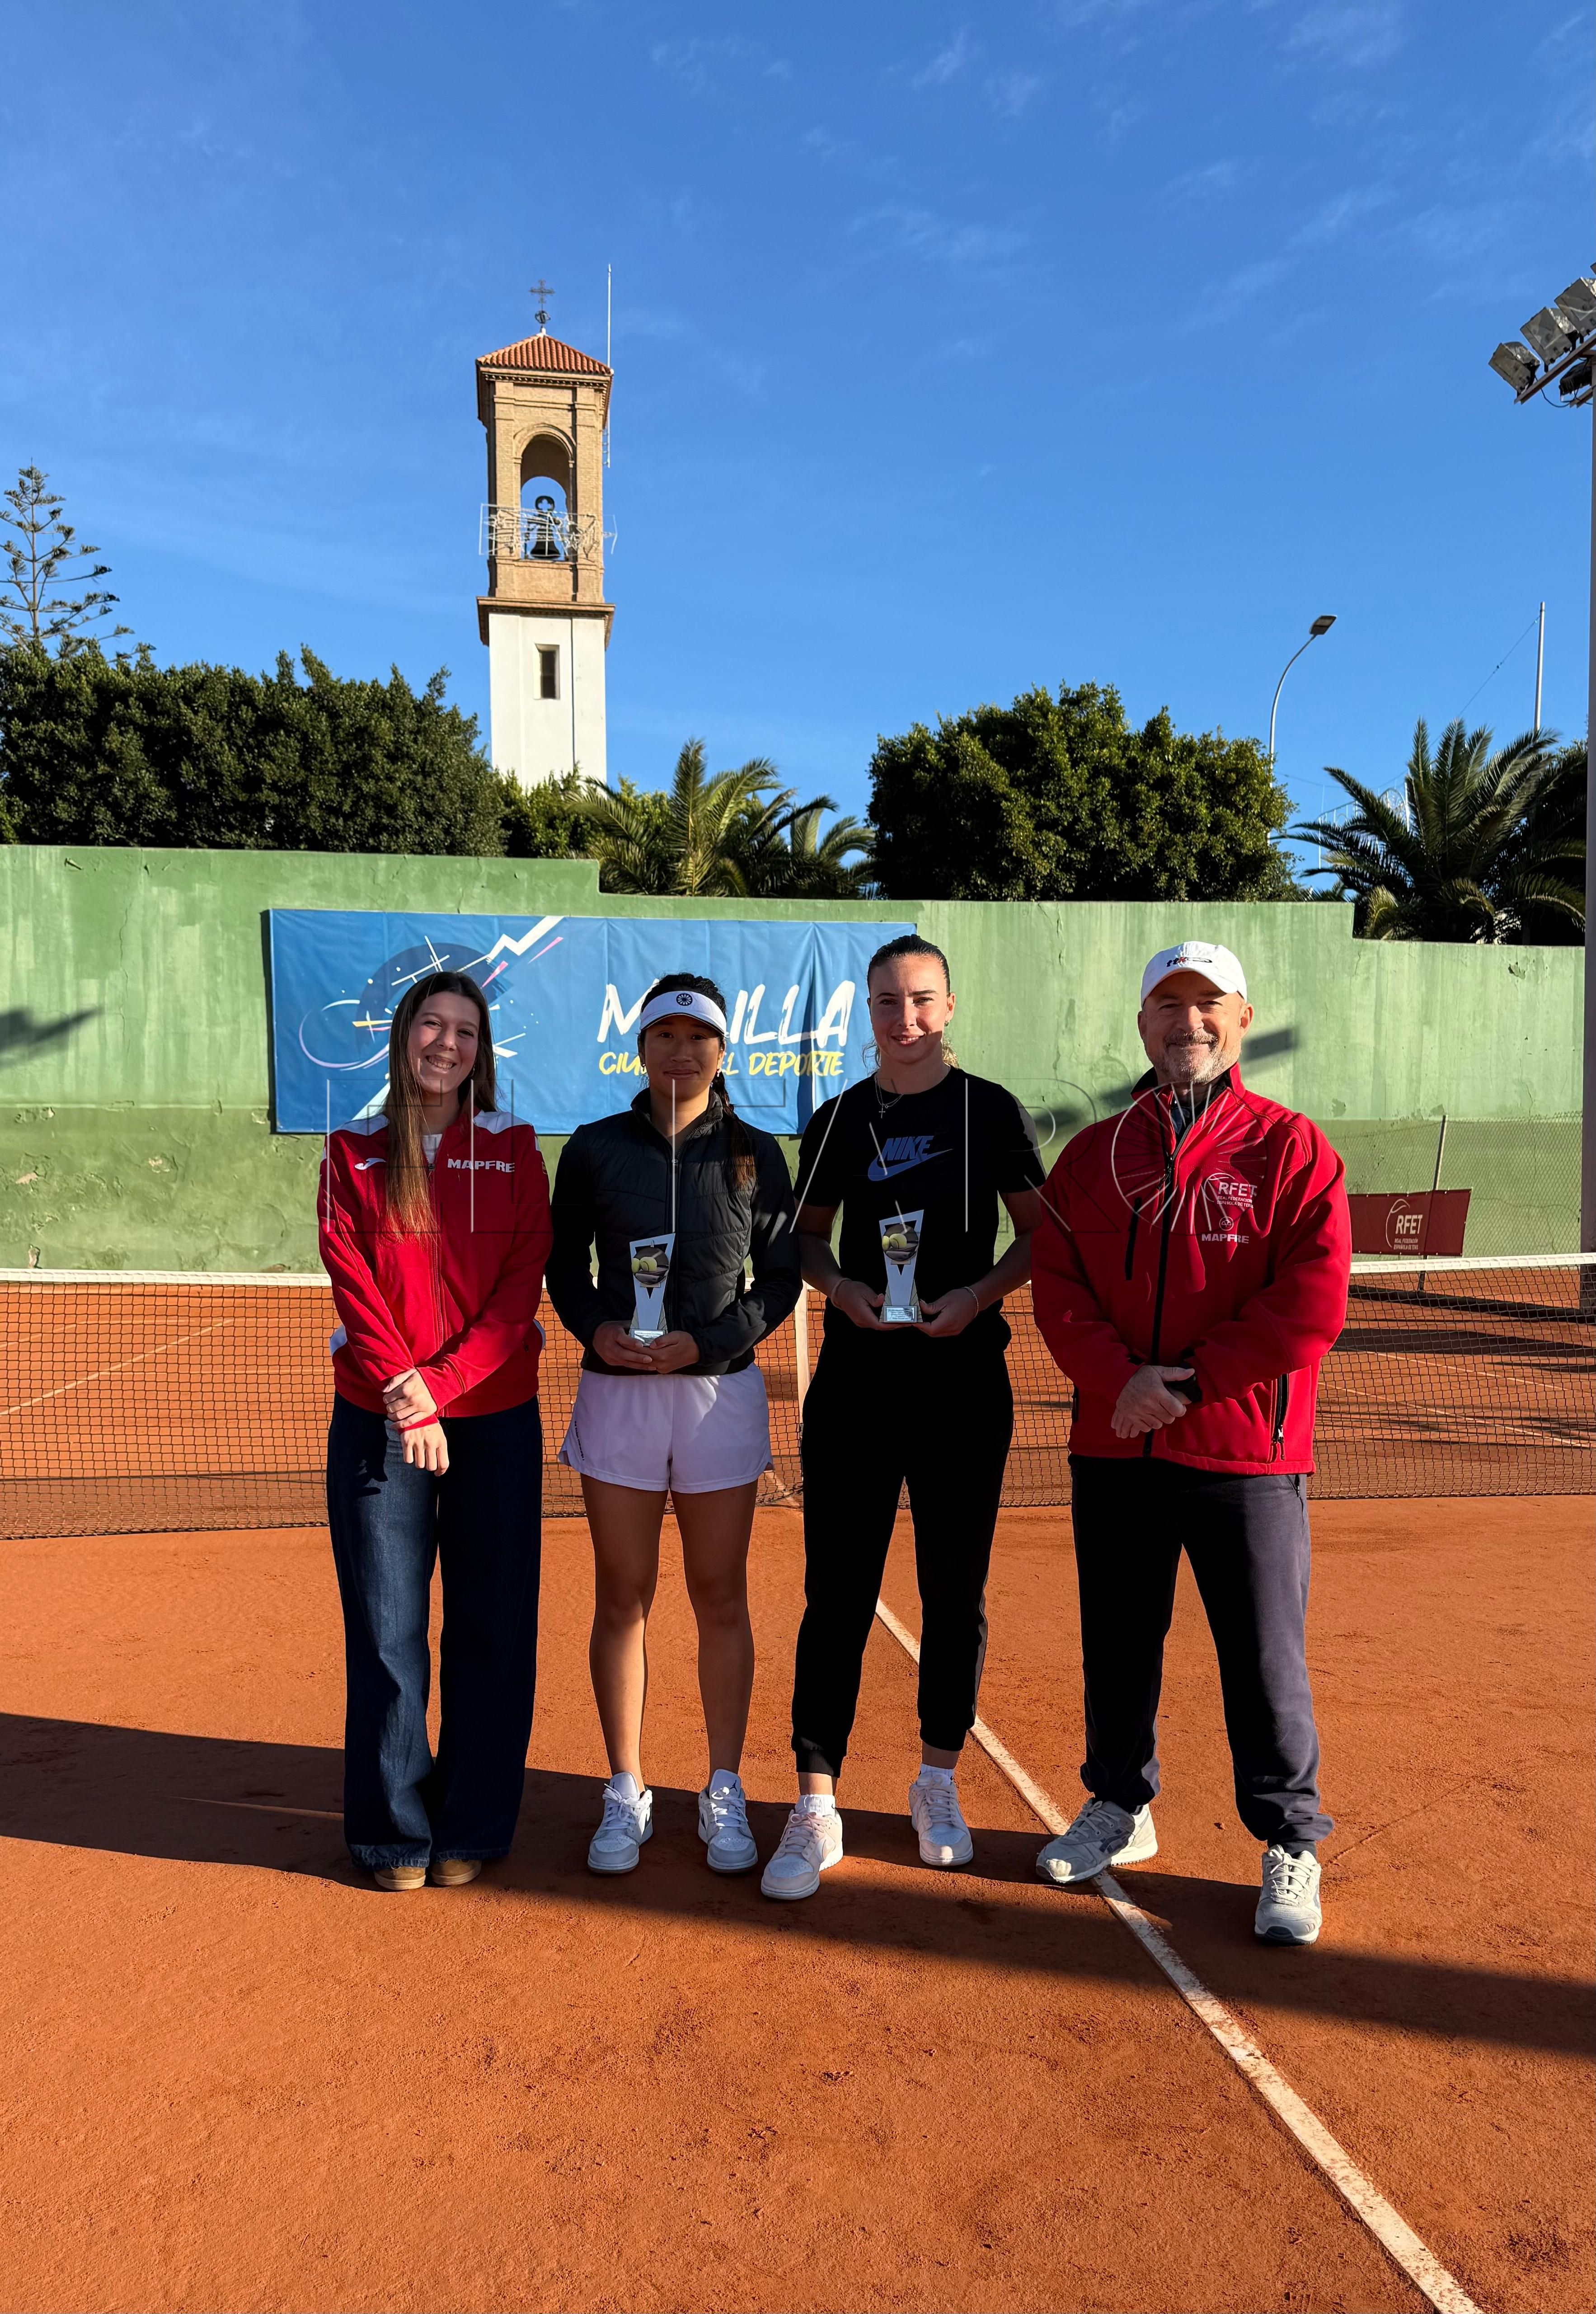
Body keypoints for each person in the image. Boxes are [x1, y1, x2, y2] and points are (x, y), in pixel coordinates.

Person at [1031, 940, 1351, 1946]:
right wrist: (1116, 1383)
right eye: (1167, 1006)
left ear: (1241, 1018)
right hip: (1115, 1449)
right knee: (1117, 1647)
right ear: (1141, 1026)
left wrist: (1182, 1385)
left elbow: (1310, 1302)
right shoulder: (1091, 1156)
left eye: (1206, 1004)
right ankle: (1118, 1806)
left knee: (1263, 1660)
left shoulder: (1291, 1150)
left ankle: (1288, 1837)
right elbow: (1057, 1287)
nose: (1187, 1023)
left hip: (1245, 1457)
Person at [760, 935, 1046, 1901]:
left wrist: (976, 1297)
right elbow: (803, 1239)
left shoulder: (990, 1110)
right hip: (855, 1388)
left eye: (921, 998)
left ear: (949, 1007)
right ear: (867, 1012)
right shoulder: (838, 1119)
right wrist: (837, 1285)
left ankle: (935, 1781)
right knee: (835, 1593)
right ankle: (815, 1801)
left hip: (963, 1384)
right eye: (886, 1001)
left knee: (952, 1593)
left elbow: (1039, 1237)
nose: (904, 1016)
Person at [546, 974, 802, 1878]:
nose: (682, 1051)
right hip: (616, 1393)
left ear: (721, 1052)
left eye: (700, 1037)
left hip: (717, 1394)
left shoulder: (753, 1155)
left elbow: (780, 1278)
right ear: (642, 1046)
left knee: (719, 1593)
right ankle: (626, 1787)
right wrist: (597, 1330)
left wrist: (707, 1339)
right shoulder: (591, 1150)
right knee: (621, 1594)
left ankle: (722, 1787)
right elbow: (562, 1270)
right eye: (666, 1035)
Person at [319, 970, 552, 1893]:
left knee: (494, 1627)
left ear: (481, 1049)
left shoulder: (516, 1148)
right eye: (431, 1024)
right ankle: (390, 1832)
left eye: (464, 1029)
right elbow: (349, 1273)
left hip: (493, 1422)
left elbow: (518, 1288)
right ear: (402, 1036)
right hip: (379, 1420)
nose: (446, 1043)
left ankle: (474, 1823)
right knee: (386, 1632)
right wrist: (405, 1395)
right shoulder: (352, 1153)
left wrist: (443, 1389)